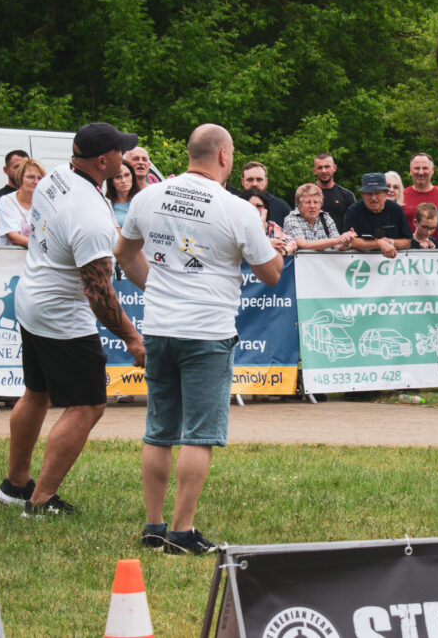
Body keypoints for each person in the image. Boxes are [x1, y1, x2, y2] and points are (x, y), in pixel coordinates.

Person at [115, 123, 283, 554]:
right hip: (207, 331)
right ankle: (181, 532)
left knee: (158, 430)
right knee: (198, 434)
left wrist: (156, 288)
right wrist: (281, 249)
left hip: (159, 327)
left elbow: (124, 255)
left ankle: (154, 526)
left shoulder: (148, 196)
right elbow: (270, 273)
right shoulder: (236, 208)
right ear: (224, 155)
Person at [0, 122, 144, 517]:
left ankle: (16, 484)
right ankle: (41, 501)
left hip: (33, 298)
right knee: (88, 405)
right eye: (121, 151)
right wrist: (132, 337)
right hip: (62, 315)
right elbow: (99, 293)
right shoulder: (89, 213)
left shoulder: (58, 176)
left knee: (36, 392)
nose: (126, 156)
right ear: (102, 161)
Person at [344, 173, 412, 258]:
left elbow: (408, 242)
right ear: (362, 195)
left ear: (385, 193)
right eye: (369, 193)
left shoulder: (396, 209)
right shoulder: (353, 211)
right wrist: (378, 243)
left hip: (392, 262)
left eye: (377, 193)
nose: (373, 198)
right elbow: (348, 241)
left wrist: (390, 242)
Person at [282, 183, 356, 251]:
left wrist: (346, 242)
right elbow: (303, 245)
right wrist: (337, 240)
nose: (312, 206)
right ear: (299, 204)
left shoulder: (325, 217)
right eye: (308, 202)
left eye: (316, 202)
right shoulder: (291, 219)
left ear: (321, 204)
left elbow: (337, 245)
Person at [402, 153, 438, 237]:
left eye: (425, 168)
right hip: (408, 245)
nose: (421, 172)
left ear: (432, 170)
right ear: (410, 170)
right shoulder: (401, 196)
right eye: (417, 168)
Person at [0, 159, 45, 247]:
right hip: (12, 255)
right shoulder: (6, 201)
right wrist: (43, 247)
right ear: (20, 178)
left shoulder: (43, 204)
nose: (36, 182)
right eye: (31, 177)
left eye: (40, 178)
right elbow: (14, 238)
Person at [244, 191, 297, 257]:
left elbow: (292, 242)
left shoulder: (271, 226)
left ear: (265, 209)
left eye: (259, 206)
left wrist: (282, 252)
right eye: (250, 206)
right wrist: (267, 243)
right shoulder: (238, 225)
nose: (255, 209)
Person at [312, 153, 355, 233]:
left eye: (327, 167)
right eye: (320, 168)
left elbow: (353, 224)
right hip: (314, 240)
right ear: (314, 171)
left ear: (334, 168)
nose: (324, 171)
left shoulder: (347, 195)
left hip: (341, 240)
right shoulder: (306, 195)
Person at [240, 161, 291, 228]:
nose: (254, 184)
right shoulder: (234, 206)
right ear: (242, 181)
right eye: (250, 179)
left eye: (259, 180)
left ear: (266, 181)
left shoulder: (281, 207)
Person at [0, 150, 29, 223]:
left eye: (25, 167)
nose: (22, 171)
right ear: (6, 170)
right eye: (17, 167)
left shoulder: (34, 195)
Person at [106, 161, 138, 228]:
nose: (123, 180)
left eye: (127, 175)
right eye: (118, 177)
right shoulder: (107, 206)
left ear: (132, 177)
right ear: (111, 182)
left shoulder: (141, 201)